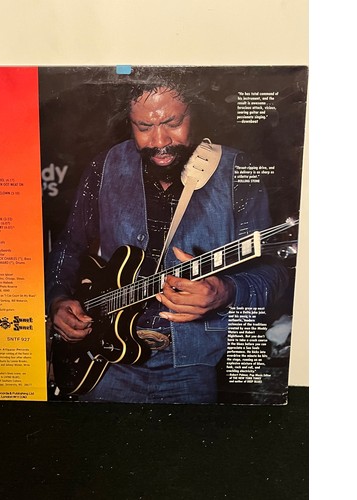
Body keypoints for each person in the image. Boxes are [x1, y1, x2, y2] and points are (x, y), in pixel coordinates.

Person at [45, 72, 289, 404]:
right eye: (143, 127)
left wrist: (226, 291)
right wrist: (58, 299)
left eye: (173, 123)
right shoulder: (105, 165)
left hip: (196, 365)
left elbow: (274, 272)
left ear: (196, 112)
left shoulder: (237, 170)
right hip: (105, 360)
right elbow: (69, 245)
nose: (159, 141)